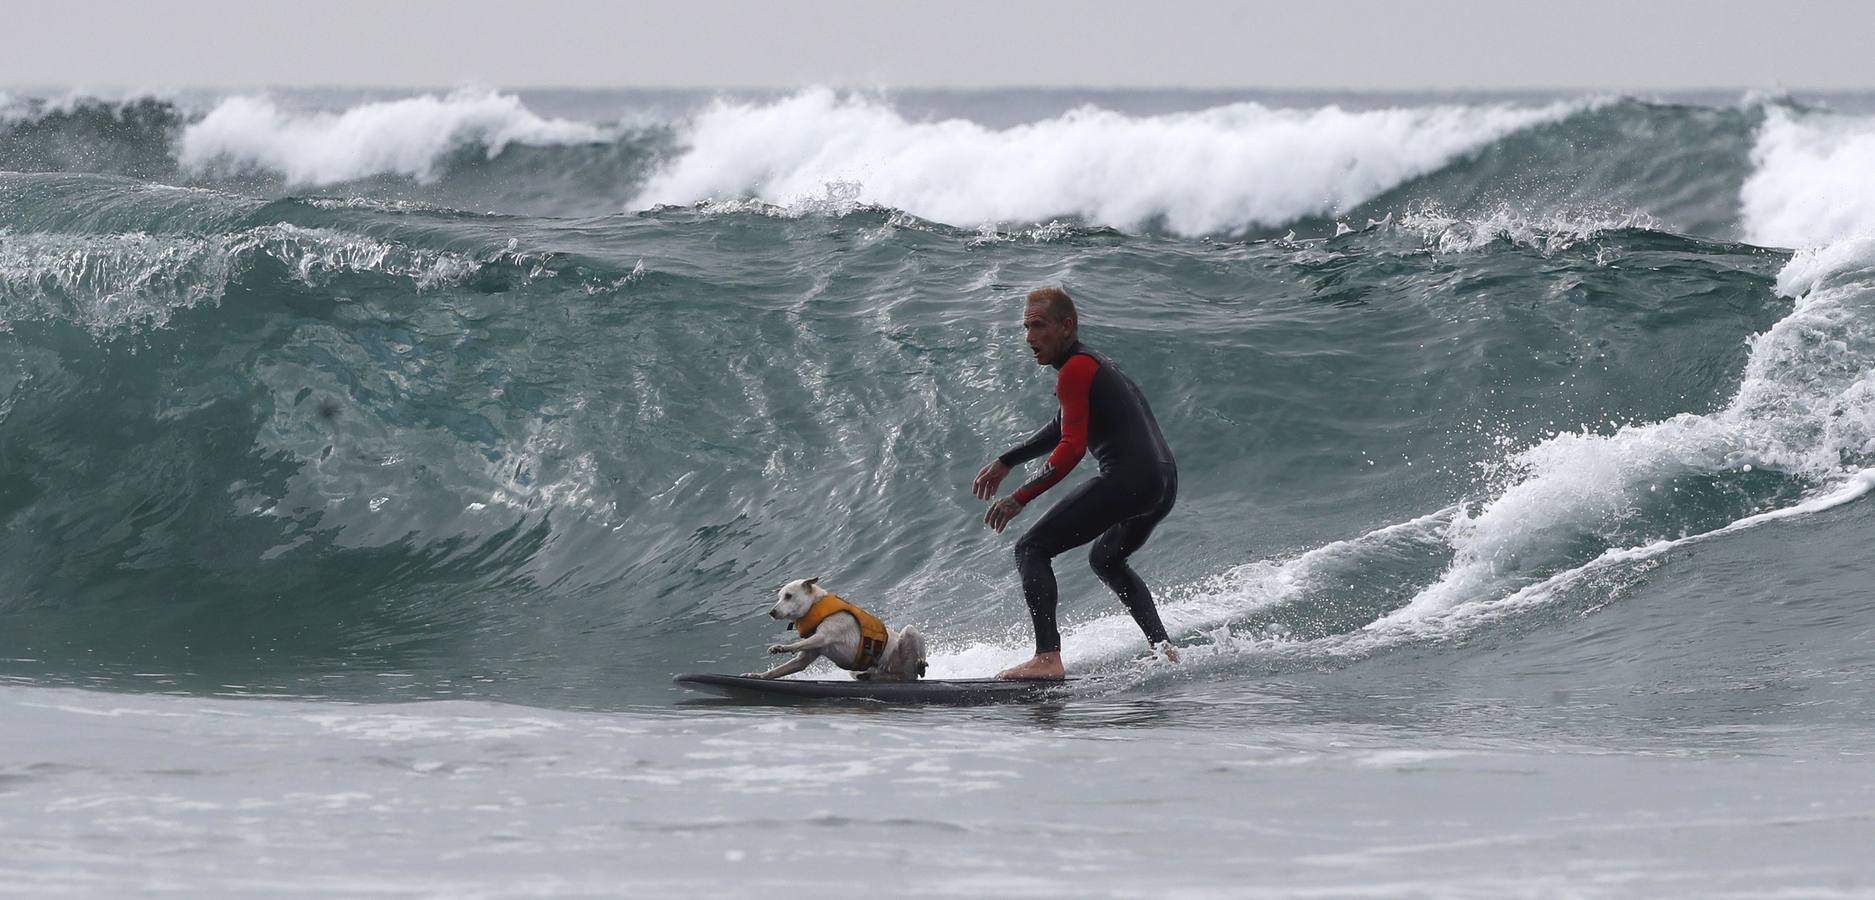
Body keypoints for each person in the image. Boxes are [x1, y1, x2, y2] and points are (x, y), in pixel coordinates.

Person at [973, 287, 1179, 680]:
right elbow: (1061, 425)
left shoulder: (1075, 369)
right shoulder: (1094, 364)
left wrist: (1020, 497)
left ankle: (1047, 658)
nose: (1030, 337)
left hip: (1129, 479)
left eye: (1039, 326)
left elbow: (1071, 447)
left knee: (1031, 548)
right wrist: (1006, 461)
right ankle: (1164, 650)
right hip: (1163, 480)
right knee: (1106, 559)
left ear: (1066, 326)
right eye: (1026, 327)